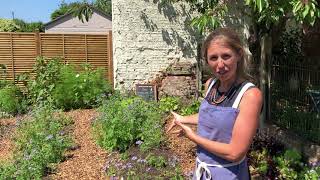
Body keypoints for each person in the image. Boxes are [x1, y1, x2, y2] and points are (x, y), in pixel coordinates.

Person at [167, 28, 263, 180]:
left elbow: (235, 152)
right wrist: (182, 118)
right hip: (202, 172)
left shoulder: (250, 95)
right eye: (213, 58)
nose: (220, 64)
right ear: (206, 60)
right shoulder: (210, 84)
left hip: (228, 174)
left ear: (238, 54)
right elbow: (211, 117)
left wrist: (192, 136)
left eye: (226, 56)